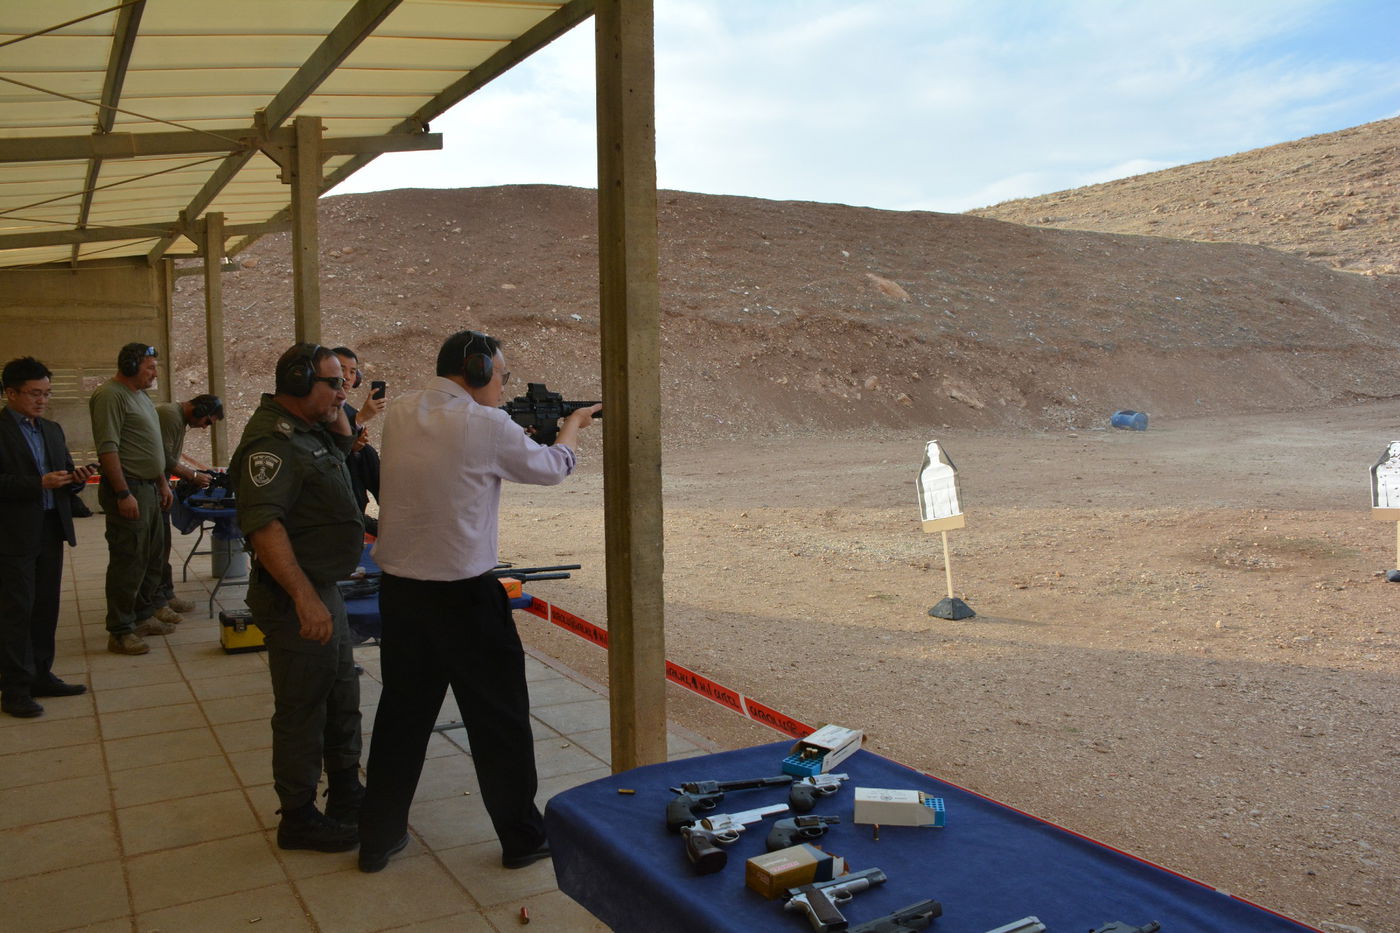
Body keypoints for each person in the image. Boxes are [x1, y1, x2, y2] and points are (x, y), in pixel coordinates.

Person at [357, 329, 600, 873]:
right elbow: (552, 468)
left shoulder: (400, 411)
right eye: (501, 375)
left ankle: (378, 837)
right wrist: (572, 429)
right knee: (500, 722)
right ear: (476, 368)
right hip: (464, 600)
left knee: (402, 717)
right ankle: (521, 838)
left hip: (400, 593)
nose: (502, 385)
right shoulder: (486, 424)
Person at [230, 343, 365, 852]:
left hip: (319, 587)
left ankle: (347, 791)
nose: (343, 391)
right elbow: (265, 525)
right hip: (295, 595)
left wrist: (334, 412)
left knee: (340, 693)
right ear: (297, 383)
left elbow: (340, 453)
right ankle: (299, 815)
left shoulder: (309, 429)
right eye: (332, 383)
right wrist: (306, 600)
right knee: (303, 708)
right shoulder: (274, 441)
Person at [0, 357, 97, 718]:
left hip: (50, 528)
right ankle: (14, 688)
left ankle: (41, 674)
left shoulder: (52, 430)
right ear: (11, 393)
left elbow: (66, 476)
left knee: (45, 606)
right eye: (34, 394)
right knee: (16, 611)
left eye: (47, 393)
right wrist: (37, 483)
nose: (42, 400)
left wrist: (76, 478)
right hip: (11, 533)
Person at [89, 342, 175, 656]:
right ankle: (121, 630)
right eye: (150, 368)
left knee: (152, 556)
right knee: (129, 560)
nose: (155, 374)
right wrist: (123, 492)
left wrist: (162, 482)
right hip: (130, 489)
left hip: (149, 488)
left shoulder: (140, 396)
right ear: (130, 366)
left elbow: (150, 448)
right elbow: (108, 448)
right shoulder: (110, 396)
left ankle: (141, 615)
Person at [155, 394, 224, 614]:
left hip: (160, 486)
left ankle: (165, 595)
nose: (204, 428)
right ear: (199, 409)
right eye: (207, 422)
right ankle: (155, 602)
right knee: (154, 548)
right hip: (152, 487)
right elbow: (163, 459)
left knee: (162, 545)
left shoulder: (176, 419)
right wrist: (192, 475)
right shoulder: (169, 416)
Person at [330, 346, 384, 534]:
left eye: (352, 371)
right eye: (341, 369)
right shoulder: (319, 409)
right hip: (334, 501)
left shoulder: (349, 410)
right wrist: (361, 418)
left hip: (353, 494)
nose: (347, 376)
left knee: (367, 453)